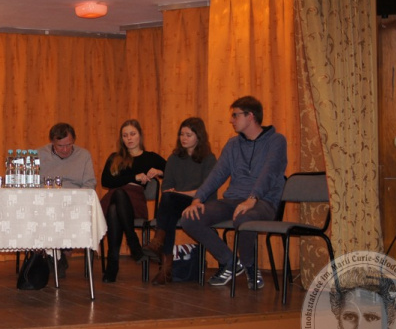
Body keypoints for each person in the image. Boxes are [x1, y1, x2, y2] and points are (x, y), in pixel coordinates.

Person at [180, 96, 287, 289]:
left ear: (250, 116)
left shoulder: (276, 141)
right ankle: (230, 261)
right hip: (233, 200)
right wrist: (198, 198)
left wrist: (252, 199)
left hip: (263, 201)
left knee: (244, 217)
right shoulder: (233, 144)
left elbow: (270, 173)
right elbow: (217, 174)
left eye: (235, 115)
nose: (231, 120)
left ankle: (250, 266)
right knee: (190, 218)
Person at [141, 118, 217, 285]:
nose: (184, 138)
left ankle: (160, 248)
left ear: (199, 136)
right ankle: (164, 263)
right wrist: (175, 194)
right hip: (175, 203)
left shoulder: (209, 159)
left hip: (200, 203)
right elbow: (166, 186)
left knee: (169, 203)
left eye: (188, 135)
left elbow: (205, 190)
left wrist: (179, 193)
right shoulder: (174, 158)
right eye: (181, 134)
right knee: (169, 207)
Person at [100, 119, 166, 283]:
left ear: (140, 135)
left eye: (132, 134)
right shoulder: (115, 158)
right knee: (117, 199)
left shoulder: (150, 157)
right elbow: (106, 181)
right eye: (125, 135)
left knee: (115, 207)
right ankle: (132, 241)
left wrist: (159, 172)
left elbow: (172, 171)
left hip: (135, 201)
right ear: (121, 138)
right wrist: (133, 177)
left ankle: (112, 265)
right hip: (114, 197)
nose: (129, 138)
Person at [37, 123, 97, 278]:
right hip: (48, 200)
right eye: (60, 146)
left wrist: (75, 198)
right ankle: (57, 254)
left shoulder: (84, 155)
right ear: (52, 142)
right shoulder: (40, 155)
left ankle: (58, 254)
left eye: (68, 145)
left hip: (75, 201)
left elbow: (90, 183)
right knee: (48, 210)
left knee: (67, 209)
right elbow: (34, 183)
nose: (65, 150)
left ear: (74, 141)